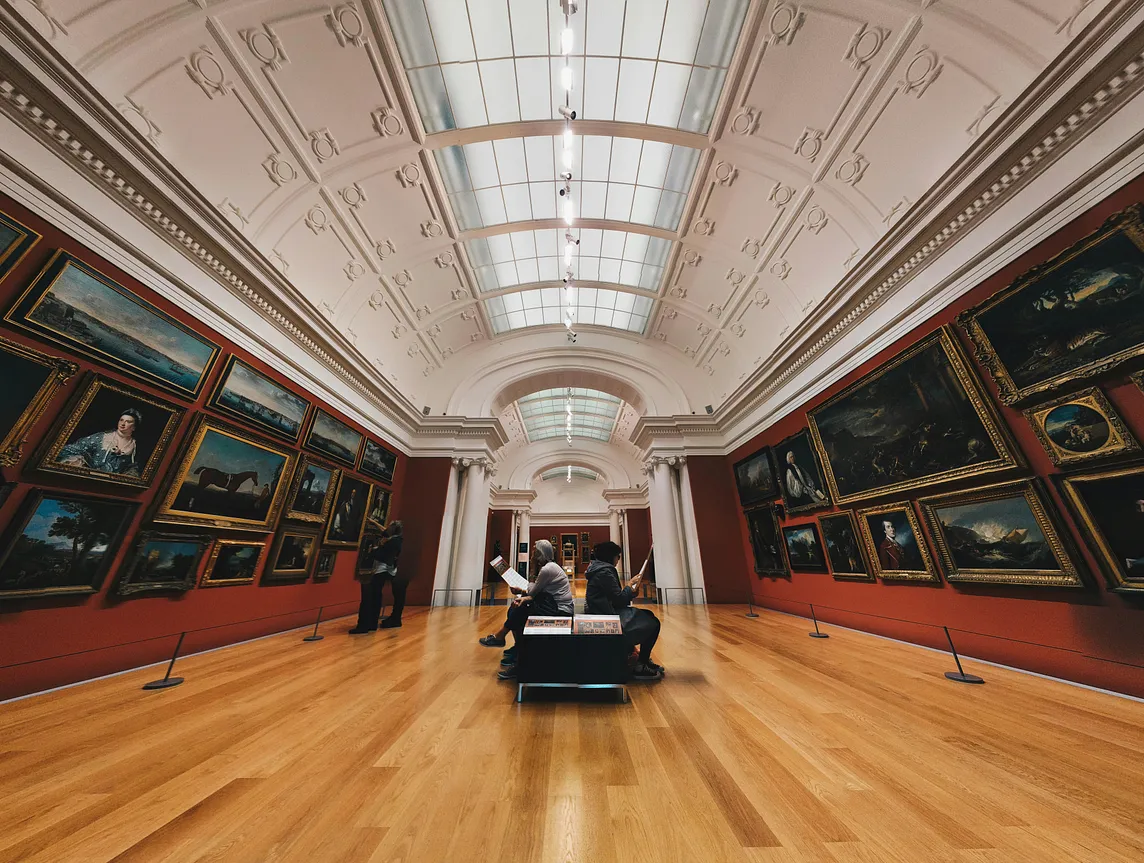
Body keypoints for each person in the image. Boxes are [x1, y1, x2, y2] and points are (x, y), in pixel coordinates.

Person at [478, 539, 573, 679]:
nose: (532, 553)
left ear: (540, 553)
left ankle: (508, 646)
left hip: (560, 610)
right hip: (551, 604)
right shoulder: (549, 567)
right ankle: (515, 648)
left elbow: (533, 592)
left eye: (535, 550)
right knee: (516, 607)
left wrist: (530, 575)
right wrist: (522, 591)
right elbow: (536, 591)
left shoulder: (547, 569)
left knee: (521, 609)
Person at [585, 541, 664, 681]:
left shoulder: (600, 569)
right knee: (653, 623)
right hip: (607, 616)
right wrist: (629, 586)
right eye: (618, 556)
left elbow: (616, 598)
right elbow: (619, 599)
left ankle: (641, 660)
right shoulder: (605, 572)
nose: (618, 560)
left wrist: (631, 590)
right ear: (611, 556)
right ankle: (641, 664)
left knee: (649, 616)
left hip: (605, 611)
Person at [349, 521, 404, 633]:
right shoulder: (396, 540)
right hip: (384, 570)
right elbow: (384, 531)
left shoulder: (394, 542)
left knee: (371, 596)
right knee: (376, 596)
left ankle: (365, 625)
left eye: (390, 526)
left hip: (381, 570)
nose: (387, 528)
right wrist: (374, 522)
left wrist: (374, 550)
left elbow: (383, 555)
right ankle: (371, 623)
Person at [57, 408, 143, 477]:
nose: (123, 423)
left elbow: (133, 468)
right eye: (121, 420)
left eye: (128, 422)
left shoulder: (135, 446)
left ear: (134, 427)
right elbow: (77, 448)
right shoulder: (103, 437)